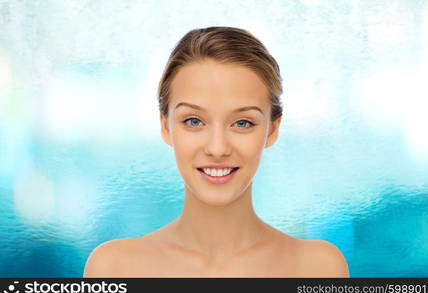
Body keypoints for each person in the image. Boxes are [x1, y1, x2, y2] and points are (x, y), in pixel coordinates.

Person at [83, 26, 349, 277]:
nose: (217, 149)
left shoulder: (318, 267)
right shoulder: (114, 268)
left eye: (242, 123)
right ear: (166, 127)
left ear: (272, 129)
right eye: (194, 121)